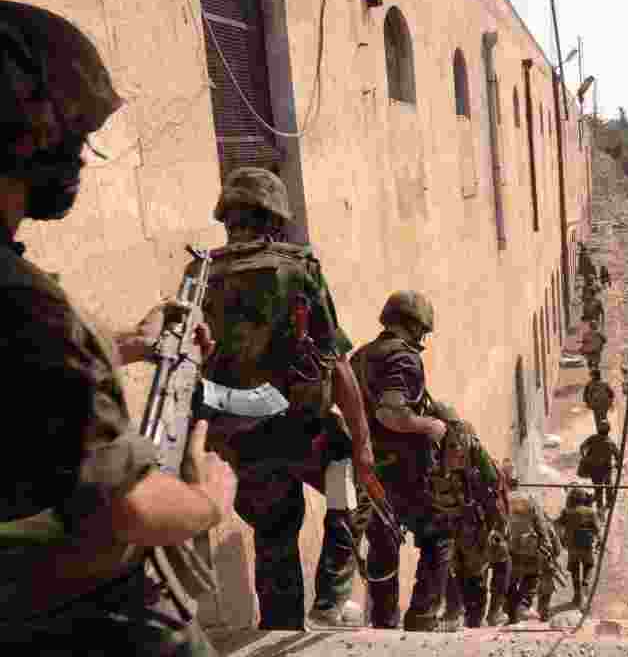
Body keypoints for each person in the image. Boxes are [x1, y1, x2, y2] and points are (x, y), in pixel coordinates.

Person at [0, 1, 237, 654]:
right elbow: (129, 509)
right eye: (73, 135)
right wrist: (209, 495)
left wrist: (126, 340)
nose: (80, 156)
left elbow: (28, 371)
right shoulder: (28, 307)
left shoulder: (26, 304)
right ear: (28, 131)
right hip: (74, 622)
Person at [193, 166, 373, 630]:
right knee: (355, 485)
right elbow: (336, 360)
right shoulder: (299, 268)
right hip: (302, 429)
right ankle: (331, 598)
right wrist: (363, 442)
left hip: (241, 442)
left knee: (275, 543)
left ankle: (280, 633)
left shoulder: (200, 273)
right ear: (274, 217)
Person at [350, 291, 452, 631]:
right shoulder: (404, 358)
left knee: (382, 542)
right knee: (439, 536)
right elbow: (391, 412)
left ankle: (384, 622)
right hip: (405, 468)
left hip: (369, 468)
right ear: (414, 325)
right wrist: (431, 426)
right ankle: (422, 617)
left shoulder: (360, 356)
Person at [432, 407, 509, 631]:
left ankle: (460, 614)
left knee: (454, 571)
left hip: (450, 525)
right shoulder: (471, 452)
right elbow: (494, 487)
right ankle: (485, 617)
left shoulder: (430, 450)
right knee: (482, 573)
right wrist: (497, 525)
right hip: (468, 527)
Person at [504, 482, 561, 623]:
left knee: (511, 581)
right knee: (531, 579)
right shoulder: (530, 500)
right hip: (530, 549)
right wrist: (546, 549)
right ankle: (523, 606)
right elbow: (541, 526)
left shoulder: (505, 500)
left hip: (510, 549)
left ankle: (512, 613)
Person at [555, 486, 600, 608]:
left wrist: (561, 538)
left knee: (574, 569)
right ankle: (584, 587)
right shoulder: (590, 512)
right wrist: (598, 540)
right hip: (586, 544)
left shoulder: (567, 512)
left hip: (572, 545)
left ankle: (577, 594)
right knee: (589, 565)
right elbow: (597, 529)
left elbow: (557, 524)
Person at [579, 421, 621, 516]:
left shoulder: (592, 439)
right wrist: (617, 465)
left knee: (598, 489)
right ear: (608, 430)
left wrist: (585, 458)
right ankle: (609, 503)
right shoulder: (610, 442)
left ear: (598, 429)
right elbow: (618, 455)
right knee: (608, 485)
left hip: (595, 469)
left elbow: (582, 447)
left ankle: (600, 508)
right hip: (606, 469)